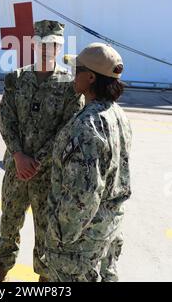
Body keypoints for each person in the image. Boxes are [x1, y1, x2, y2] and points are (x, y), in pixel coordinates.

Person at [0, 20, 84, 282]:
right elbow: (5, 118)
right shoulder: (17, 79)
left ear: (59, 47)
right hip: (15, 171)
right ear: (33, 45)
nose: (46, 50)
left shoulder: (69, 85)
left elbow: (67, 130)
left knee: (46, 233)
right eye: (42, 44)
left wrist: (35, 162)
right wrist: (19, 156)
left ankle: (43, 282)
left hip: (47, 176)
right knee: (8, 225)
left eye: (52, 45)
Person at [44, 43, 132, 282]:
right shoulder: (118, 115)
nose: (73, 74)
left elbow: (82, 197)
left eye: (77, 69)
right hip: (109, 230)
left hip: (81, 245)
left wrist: (59, 236)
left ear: (91, 77)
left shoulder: (87, 126)